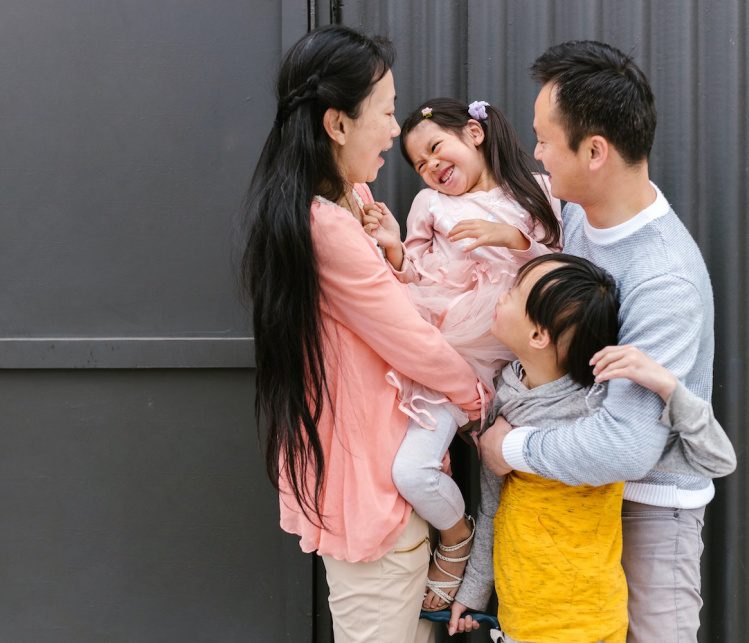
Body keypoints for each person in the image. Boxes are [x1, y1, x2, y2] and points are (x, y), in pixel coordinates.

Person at [240, 26, 483, 643]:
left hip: (387, 480)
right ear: (337, 125)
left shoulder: (350, 198)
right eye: (387, 110)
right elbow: (410, 340)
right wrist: (483, 402)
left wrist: (397, 257)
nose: (395, 131)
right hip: (374, 493)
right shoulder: (325, 226)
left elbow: (386, 312)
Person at [477, 41, 719, 642]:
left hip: (647, 506)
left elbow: (628, 446)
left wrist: (511, 450)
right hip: (574, 501)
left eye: (543, 140)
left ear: (594, 151)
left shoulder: (665, 279)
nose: (534, 155)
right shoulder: (581, 212)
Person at [446, 255, 735, 642]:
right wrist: (475, 591)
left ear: (538, 336)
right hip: (520, 617)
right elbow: (492, 502)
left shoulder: (600, 413)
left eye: (514, 292)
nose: (502, 294)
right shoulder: (507, 391)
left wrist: (666, 386)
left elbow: (715, 458)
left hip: (588, 623)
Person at [361, 97, 561, 611]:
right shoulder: (430, 207)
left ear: (474, 133)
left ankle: (491, 595)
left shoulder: (536, 192)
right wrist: (395, 249)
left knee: (513, 488)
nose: (431, 167)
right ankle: (455, 535)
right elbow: (415, 278)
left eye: (435, 149)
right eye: (420, 165)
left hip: (519, 378)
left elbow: (562, 273)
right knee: (411, 472)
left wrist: (509, 235)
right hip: (447, 367)